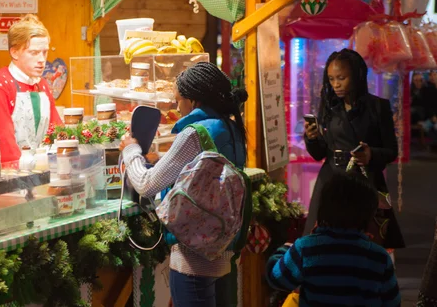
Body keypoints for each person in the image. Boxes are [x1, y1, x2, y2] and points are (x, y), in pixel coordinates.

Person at [119, 62, 248, 307]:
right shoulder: (232, 128)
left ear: (194, 101)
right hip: (226, 248)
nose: (177, 109)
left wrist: (131, 150)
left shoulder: (194, 133)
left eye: (179, 101)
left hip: (194, 256)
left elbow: (147, 185)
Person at [303, 48, 404, 249]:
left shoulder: (378, 107)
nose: (336, 84)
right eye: (331, 79)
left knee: (366, 241)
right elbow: (319, 154)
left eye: (341, 77)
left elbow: (391, 151)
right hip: (331, 181)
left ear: (357, 75)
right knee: (326, 243)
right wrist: (311, 138)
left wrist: (371, 154)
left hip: (364, 181)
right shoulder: (329, 107)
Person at [266, 172, 401, 306]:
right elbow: (393, 303)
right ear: (368, 213)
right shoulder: (379, 257)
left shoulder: (306, 248)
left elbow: (277, 278)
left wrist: (285, 248)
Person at [0, 14, 62, 163]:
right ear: (14, 52)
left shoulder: (42, 84)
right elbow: (3, 143)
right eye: (33, 53)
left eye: (45, 52)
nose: (41, 60)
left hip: (39, 170)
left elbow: (56, 129)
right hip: (9, 174)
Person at [420, 70, 437, 140]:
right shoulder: (426, 88)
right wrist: (432, 116)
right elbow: (427, 104)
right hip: (434, 115)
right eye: (430, 75)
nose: (433, 77)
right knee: (425, 127)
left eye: (434, 75)